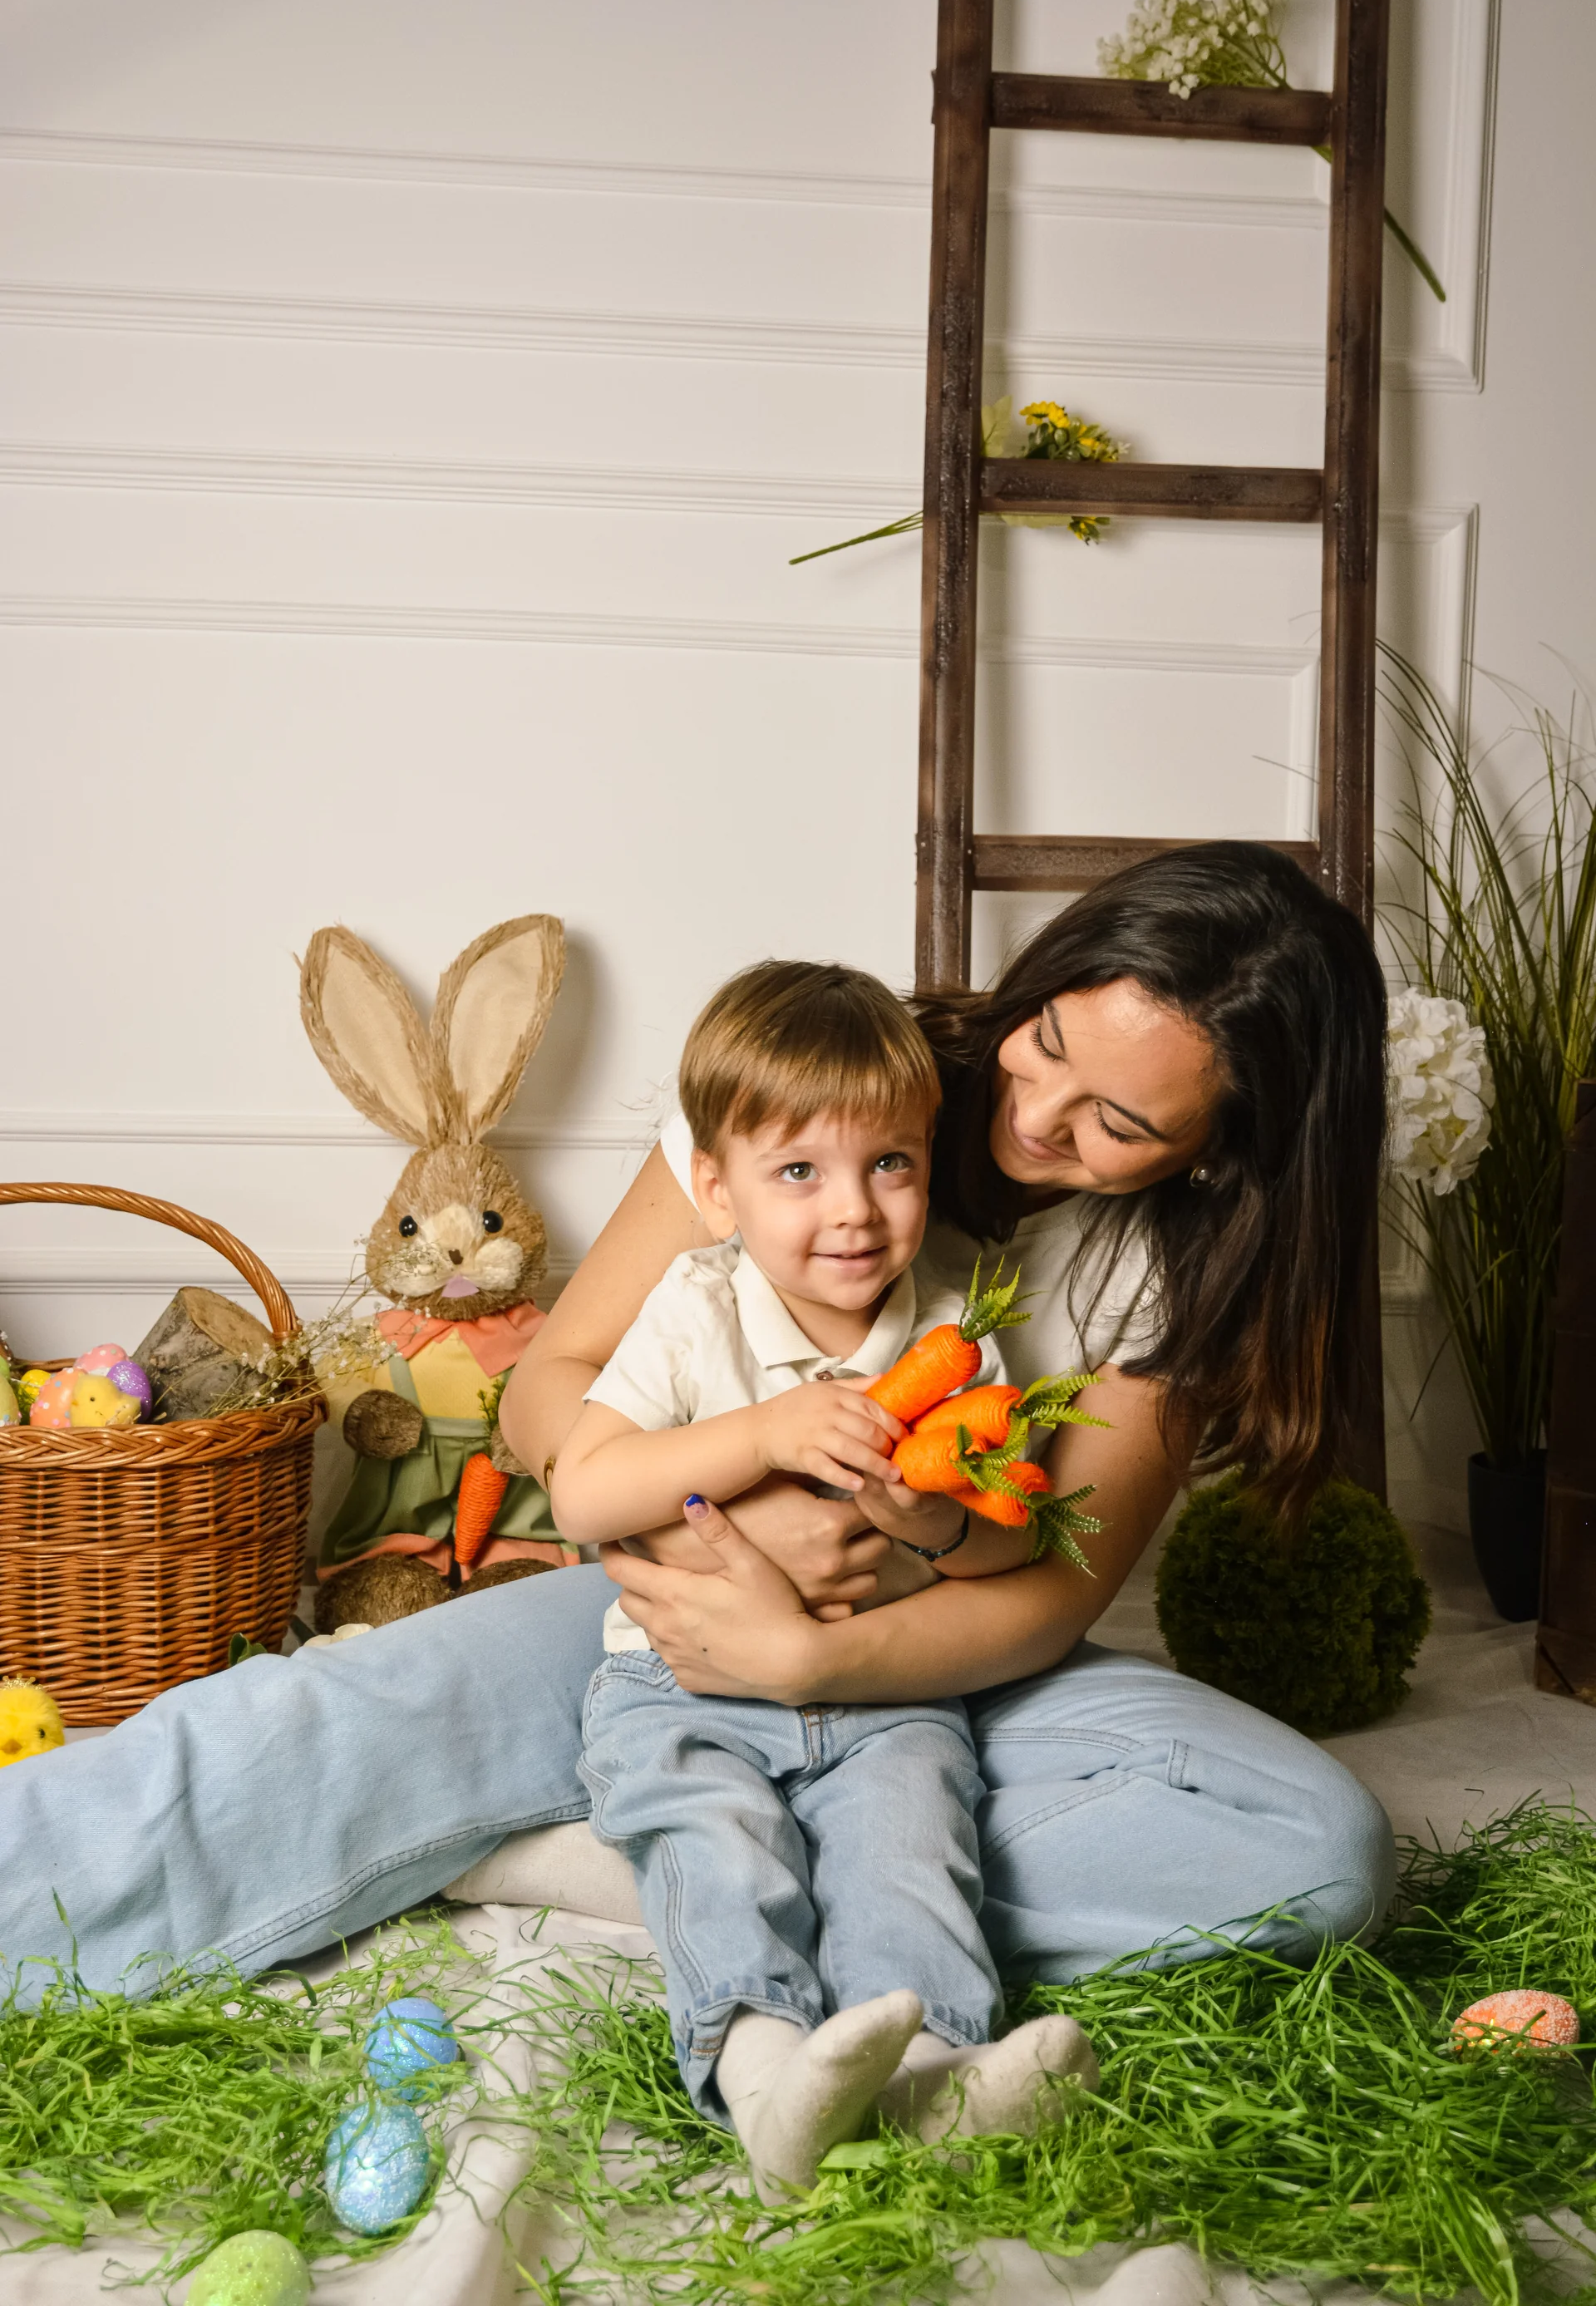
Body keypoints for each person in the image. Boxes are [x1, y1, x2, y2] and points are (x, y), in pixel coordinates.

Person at [0, 844, 1395, 2009]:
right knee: (322, 1723)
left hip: (947, 1685)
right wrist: (722, 1506)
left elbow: (1045, 1604)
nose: (1033, 1115)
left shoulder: (1175, 1276)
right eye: (1045, 1045)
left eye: (1116, 1123)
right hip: (663, 1612)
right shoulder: (830, 1087)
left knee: (1316, 1848)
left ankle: (666, 1856)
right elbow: (553, 1391)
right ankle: (686, 1828)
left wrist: (814, 1658)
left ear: (1215, 1149)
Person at [555, 960, 1096, 2193]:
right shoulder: (698, 1311)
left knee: (910, 1849)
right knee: (719, 1846)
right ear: (715, 1189)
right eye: (798, 1172)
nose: (852, 1210)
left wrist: (933, 1522)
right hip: (680, 1687)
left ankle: (941, 2069)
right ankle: (764, 2075)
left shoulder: (954, 1331)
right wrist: (762, 1438)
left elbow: (1015, 1538)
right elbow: (583, 1489)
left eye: (889, 1164)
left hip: (882, 1698)